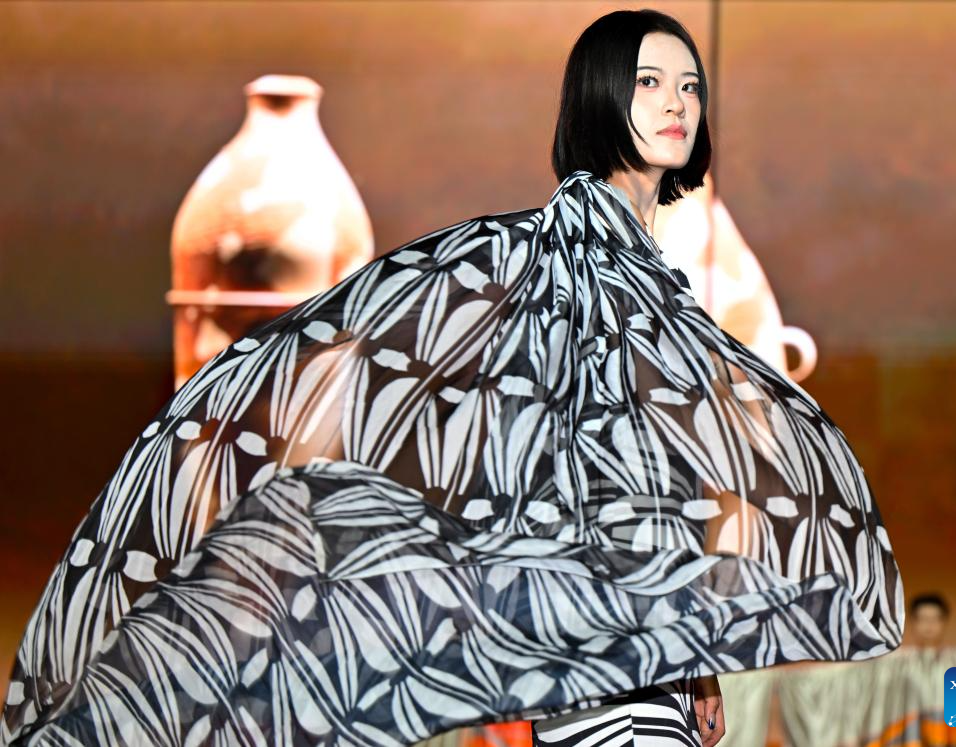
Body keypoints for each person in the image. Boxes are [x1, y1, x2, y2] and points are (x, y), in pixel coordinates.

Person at [0, 8, 904, 747]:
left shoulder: (631, 264)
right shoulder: (567, 257)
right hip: (602, 657)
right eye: (649, 82)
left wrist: (692, 657)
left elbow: (648, 478)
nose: (678, 103)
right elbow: (573, 466)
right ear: (598, 98)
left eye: (691, 85)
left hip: (635, 652)